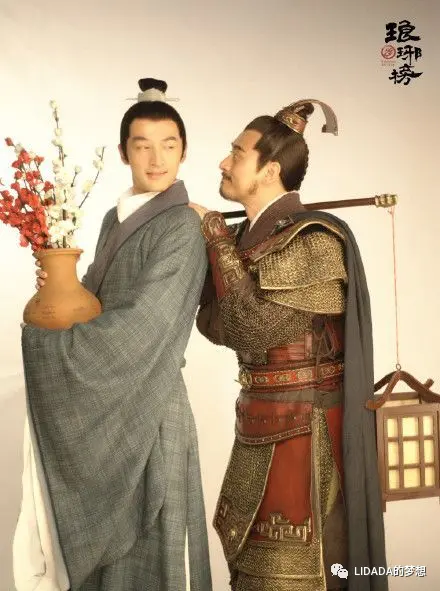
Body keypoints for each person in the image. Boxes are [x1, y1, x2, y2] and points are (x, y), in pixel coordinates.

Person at [15, 78, 212, 591]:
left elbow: (144, 324)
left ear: (184, 151)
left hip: (152, 404)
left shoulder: (182, 227)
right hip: (109, 404)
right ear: (124, 151)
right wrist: (61, 289)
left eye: (168, 145)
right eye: (142, 146)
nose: (156, 159)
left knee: (155, 558)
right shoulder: (113, 219)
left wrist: (47, 349)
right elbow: (97, 302)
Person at [191, 99, 388, 591]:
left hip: (305, 434)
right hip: (256, 421)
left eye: (237, 153)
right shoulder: (246, 238)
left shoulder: (315, 241)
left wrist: (215, 236)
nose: (223, 162)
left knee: (294, 576)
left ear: (270, 170)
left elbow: (246, 328)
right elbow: (213, 324)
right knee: (250, 574)